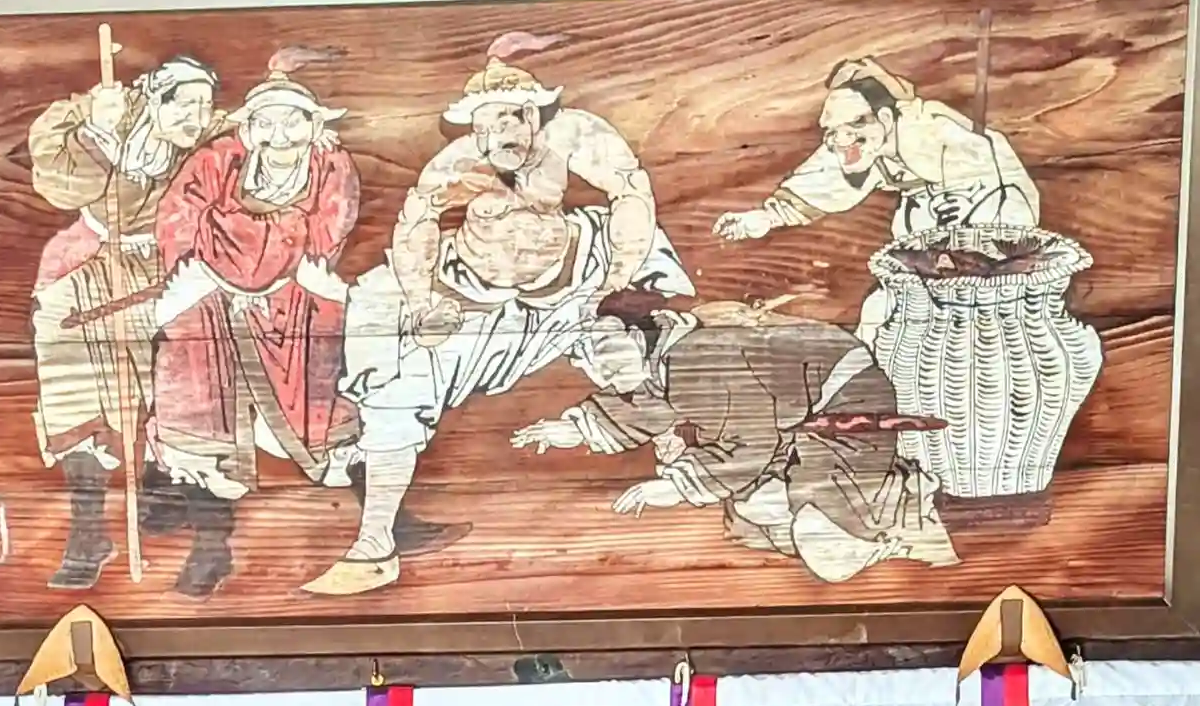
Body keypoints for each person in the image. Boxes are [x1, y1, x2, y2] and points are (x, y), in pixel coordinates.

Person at [309, 33, 692, 596]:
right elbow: (416, 222)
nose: (496, 136)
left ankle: (681, 446)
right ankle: (374, 544)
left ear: (532, 114)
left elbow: (632, 192)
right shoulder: (460, 160)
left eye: (508, 119)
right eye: (483, 125)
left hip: (568, 289)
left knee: (628, 344)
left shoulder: (575, 136)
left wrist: (615, 275)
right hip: (470, 303)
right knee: (392, 374)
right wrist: (422, 302)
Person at [512, 290, 957, 585]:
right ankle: (853, 512)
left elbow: (751, 440)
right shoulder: (667, 361)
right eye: (581, 358)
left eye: (600, 347)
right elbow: (647, 405)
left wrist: (674, 487)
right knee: (754, 509)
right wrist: (572, 428)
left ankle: (902, 497)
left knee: (826, 551)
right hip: (792, 429)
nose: (595, 367)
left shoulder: (697, 355)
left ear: (636, 332)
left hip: (845, 412)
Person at [147, 52, 360, 596]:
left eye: (293, 122)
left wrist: (238, 234)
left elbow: (323, 234)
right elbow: (178, 215)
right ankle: (210, 541)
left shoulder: (331, 168)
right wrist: (207, 261)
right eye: (266, 122)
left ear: (314, 125)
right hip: (207, 290)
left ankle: (386, 522)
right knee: (189, 386)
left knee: (328, 396)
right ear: (249, 127)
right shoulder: (218, 160)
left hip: (295, 296)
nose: (279, 134)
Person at [29, 55, 220, 589]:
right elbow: (58, 185)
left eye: (204, 106)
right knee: (71, 382)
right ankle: (89, 531)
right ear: (155, 98)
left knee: (187, 373)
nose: (195, 117)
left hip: (168, 266)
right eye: (184, 104)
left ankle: (181, 503)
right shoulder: (104, 113)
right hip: (90, 261)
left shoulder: (211, 138)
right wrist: (96, 125)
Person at [713, 56, 1040, 254]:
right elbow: (823, 180)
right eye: (832, 130)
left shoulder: (930, 128)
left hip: (993, 209)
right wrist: (764, 218)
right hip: (927, 223)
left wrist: (964, 210)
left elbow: (985, 172)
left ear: (884, 118)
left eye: (851, 126)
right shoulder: (864, 144)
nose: (839, 140)